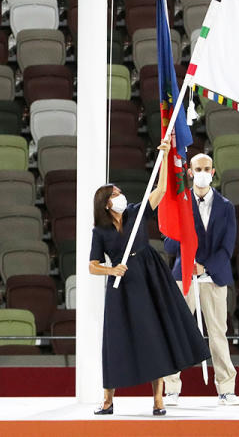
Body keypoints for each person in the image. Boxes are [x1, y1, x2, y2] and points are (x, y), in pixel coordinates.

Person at [89, 139, 210, 416]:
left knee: (154, 335)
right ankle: (108, 400)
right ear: (106, 204)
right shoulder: (100, 232)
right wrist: (111, 269)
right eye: (115, 194)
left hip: (148, 275)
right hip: (121, 285)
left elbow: (161, 190)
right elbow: (92, 266)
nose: (120, 195)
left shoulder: (134, 211)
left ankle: (159, 400)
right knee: (115, 339)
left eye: (120, 191)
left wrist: (165, 158)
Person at [162, 153, 239, 406]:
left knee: (218, 333)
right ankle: (171, 387)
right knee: (178, 331)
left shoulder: (226, 207)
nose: (203, 172)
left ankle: (226, 388)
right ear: (190, 172)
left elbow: (227, 247)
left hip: (214, 277)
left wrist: (204, 266)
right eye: (198, 168)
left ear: (213, 172)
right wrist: (184, 234)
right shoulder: (180, 203)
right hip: (184, 277)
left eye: (207, 168)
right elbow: (169, 244)